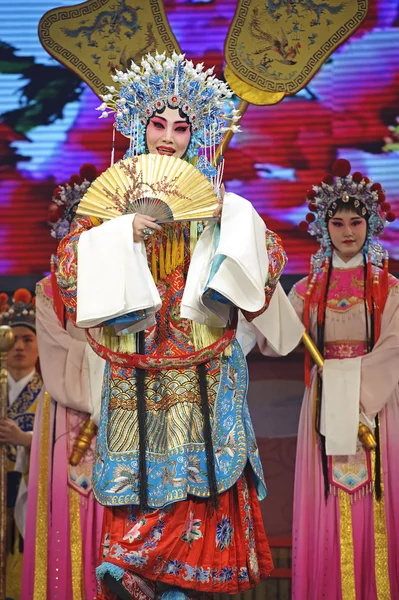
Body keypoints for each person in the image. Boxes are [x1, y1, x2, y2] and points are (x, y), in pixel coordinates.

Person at [57, 51, 299, 600]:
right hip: (138, 361)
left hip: (204, 361)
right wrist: (120, 235)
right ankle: (134, 568)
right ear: (138, 127)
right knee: (143, 472)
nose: (168, 137)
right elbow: (67, 273)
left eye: (182, 127)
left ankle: (185, 584)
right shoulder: (108, 205)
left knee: (204, 472)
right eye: (158, 124)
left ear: (199, 134)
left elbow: (268, 266)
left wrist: (231, 225)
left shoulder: (220, 201)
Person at [258, 159, 399, 599]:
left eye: (356, 222)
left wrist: (356, 392)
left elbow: (394, 346)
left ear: (370, 223)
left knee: (374, 500)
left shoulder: (389, 287)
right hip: (322, 402)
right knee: (327, 501)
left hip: (373, 403)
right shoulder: (306, 288)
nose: (347, 232)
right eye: (337, 223)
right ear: (324, 228)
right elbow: (275, 341)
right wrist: (260, 292)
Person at [21, 164, 105, 600]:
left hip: (121, 411)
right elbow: (56, 356)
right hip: (68, 413)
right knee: (66, 514)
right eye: (81, 222)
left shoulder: (132, 288)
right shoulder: (48, 290)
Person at [0, 289, 41, 600]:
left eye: (28, 339)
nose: (19, 346)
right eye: (12, 339)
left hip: (30, 493)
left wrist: (25, 439)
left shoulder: (52, 391)